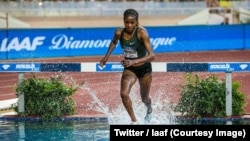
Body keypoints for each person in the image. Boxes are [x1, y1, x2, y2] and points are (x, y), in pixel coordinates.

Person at [99, 8, 155, 124]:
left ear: (136, 22)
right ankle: (134, 121)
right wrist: (106, 56)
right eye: (126, 22)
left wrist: (133, 61)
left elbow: (152, 56)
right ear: (123, 21)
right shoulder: (119, 32)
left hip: (144, 69)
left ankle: (149, 109)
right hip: (130, 69)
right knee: (123, 94)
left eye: (132, 23)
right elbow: (114, 42)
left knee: (144, 98)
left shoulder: (141, 33)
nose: (129, 25)